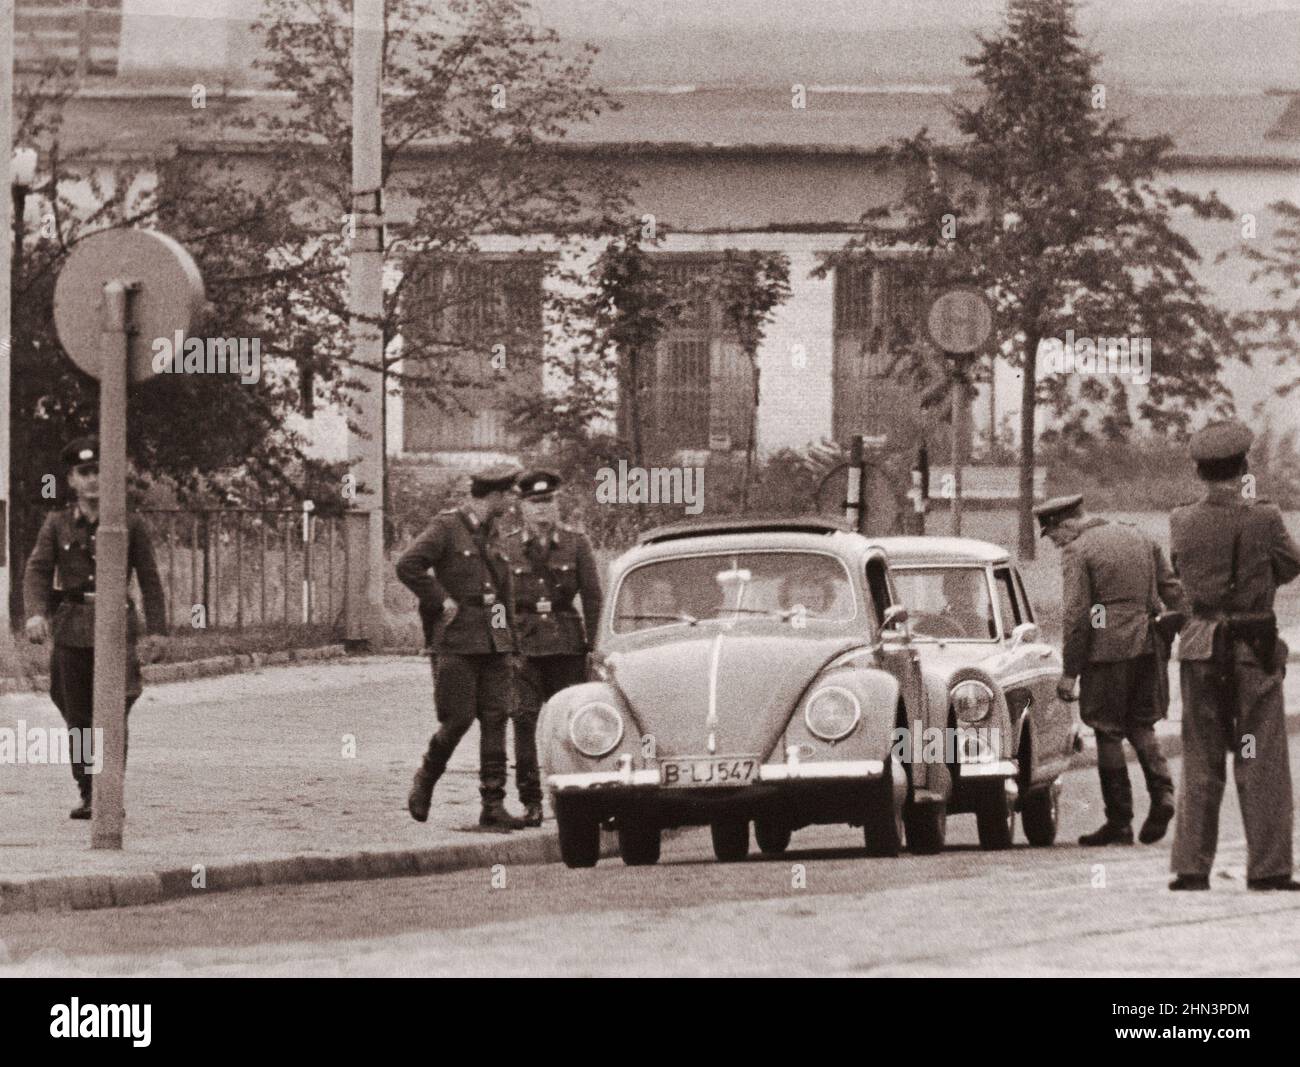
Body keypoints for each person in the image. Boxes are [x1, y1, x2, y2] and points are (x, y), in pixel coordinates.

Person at [1168, 421, 1300, 891]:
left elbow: (1181, 571)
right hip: (1252, 649)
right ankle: (1268, 869)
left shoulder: (1181, 519)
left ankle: (1190, 868)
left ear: (1200, 472)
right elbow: (1290, 562)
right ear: (1243, 467)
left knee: (1201, 757)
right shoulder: (1264, 517)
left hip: (1202, 647)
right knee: (1260, 756)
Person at [22, 435, 167, 819]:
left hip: (117, 627)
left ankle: (110, 789)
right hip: (72, 628)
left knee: (115, 709)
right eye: (84, 473)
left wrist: (157, 631)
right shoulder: (56, 524)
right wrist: (35, 613)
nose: (93, 480)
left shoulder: (129, 524)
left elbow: (150, 579)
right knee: (78, 715)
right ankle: (89, 790)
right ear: (71, 480)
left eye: (100, 471)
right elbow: (37, 571)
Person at [1035, 493, 1183, 847]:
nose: (1055, 544)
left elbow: (1076, 617)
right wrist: (1178, 629)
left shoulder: (1078, 551)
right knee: (1141, 724)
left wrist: (1070, 671)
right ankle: (1163, 795)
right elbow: (1173, 591)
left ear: (1066, 524)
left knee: (1107, 731)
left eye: (1053, 535)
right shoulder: (1139, 535)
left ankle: (1119, 821)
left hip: (1106, 653)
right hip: (1149, 646)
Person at [396, 464, 525, 831]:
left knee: (496, 719)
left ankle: (493, 804)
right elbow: (408, 565)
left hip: (492, 645)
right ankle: (425, 778)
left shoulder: (493, 533)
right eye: (510, 494)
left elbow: (501, 596)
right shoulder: (447, 527)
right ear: (495, 495)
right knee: (458, 719)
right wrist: (440, 600)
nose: (514, 500)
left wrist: (506, 640)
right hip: (456, 641)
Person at [499, 471, 603, 827]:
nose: (543, 510)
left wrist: (596, 645)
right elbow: (496, 602)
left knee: (574, 724)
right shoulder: (507, 547)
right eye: (535, 503)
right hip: (523, 647)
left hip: (566, 645)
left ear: (557, 504)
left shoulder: (577, 544)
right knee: (523, 721)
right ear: (521, 508)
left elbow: (592, 597)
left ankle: (582, 797)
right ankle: (531, 800)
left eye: (548, 502)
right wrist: (503, 643)